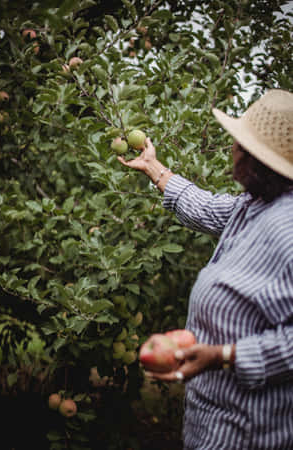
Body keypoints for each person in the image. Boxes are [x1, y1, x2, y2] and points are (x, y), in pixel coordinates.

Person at [118, 89, 293, 449]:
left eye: (238, 144)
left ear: (256, 159)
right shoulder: (255, 205)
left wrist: (223, 355)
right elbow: (207, 208)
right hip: (215, 421)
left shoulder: (288, 229)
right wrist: (153, 165)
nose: (232, 149)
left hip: (250, 432)